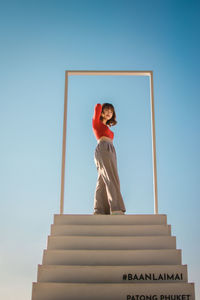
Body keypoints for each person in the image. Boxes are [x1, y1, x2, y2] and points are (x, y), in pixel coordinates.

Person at [92, 103, 126, 215]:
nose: (108, 113)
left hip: (110, 150)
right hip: (103, 147)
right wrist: (102, 107)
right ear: (101, 112)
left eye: (111, 112)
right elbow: (97, 106)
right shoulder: (97, 123)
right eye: (106, 110)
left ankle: (100, 209)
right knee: (111, 177)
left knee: (102, 180)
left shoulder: (107, 127)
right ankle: (116, 208)